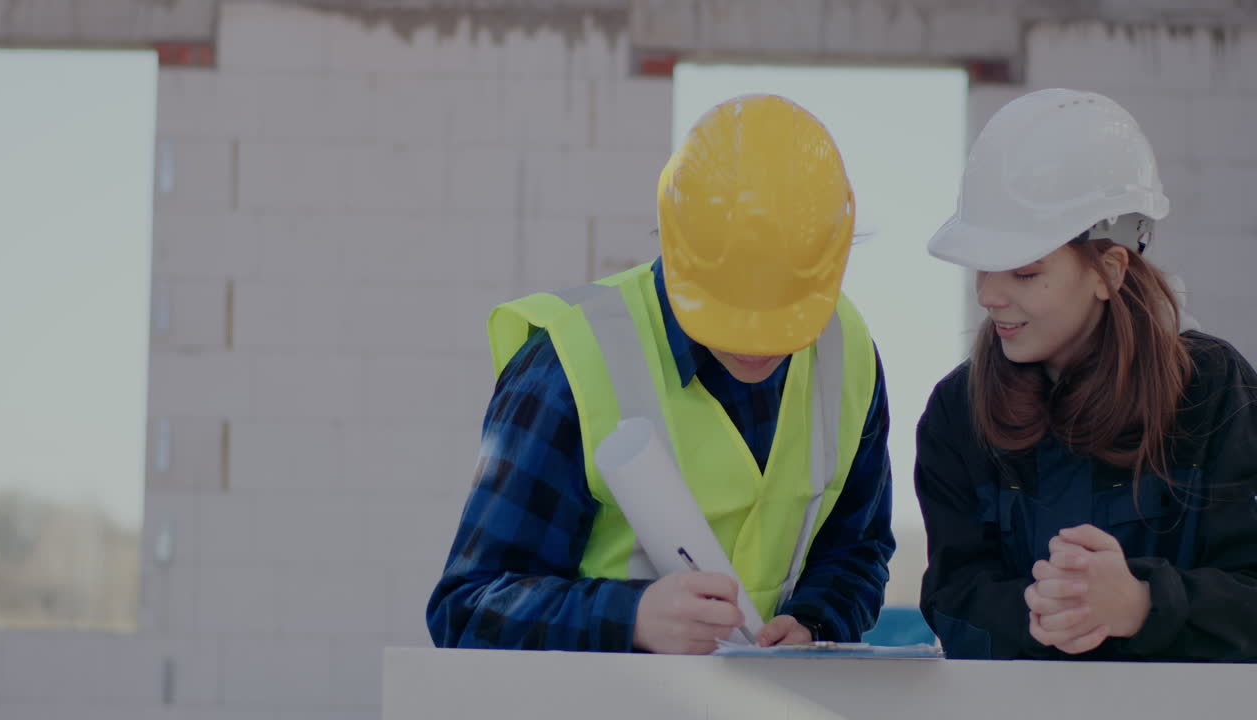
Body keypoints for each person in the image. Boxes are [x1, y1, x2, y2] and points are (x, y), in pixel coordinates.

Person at [426, 94, 895, 654]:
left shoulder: (849, 355)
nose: (755, 343)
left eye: (778, 317)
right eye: (731, 311)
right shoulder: (568, 365)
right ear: (678, 253)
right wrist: (632, 619)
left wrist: (817, 620)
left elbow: (856, 550)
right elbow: (467, 609)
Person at [918, 88, 1257, 661]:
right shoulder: (960, 410)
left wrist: (1144, 605)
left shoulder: (1215, 390)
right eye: (984, 266)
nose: (989, 295)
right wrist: (1048, 610)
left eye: (1024, 273)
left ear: (1110, 269)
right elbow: (952, 601)